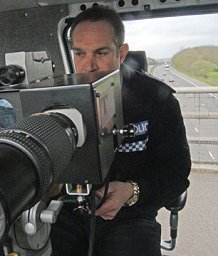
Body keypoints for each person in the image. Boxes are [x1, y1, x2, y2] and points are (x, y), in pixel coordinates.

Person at [50, 6, 191, 256]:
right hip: (67, 212)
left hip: (132, 215)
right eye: (79, 53)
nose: (88, 65)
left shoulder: (156, 100)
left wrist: (132, 191)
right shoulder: (55, 99)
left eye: (100, 52)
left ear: (121, 53)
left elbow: (177, 173)